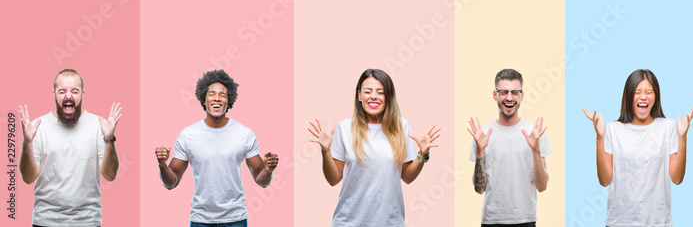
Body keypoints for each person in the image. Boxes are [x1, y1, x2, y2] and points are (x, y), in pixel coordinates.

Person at [306, 68, 441, 227]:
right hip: (348, 222)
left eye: (380, 92)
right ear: (359, 96)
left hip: (390, 222)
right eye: (368, 91)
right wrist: (325, 151)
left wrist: (423, 154)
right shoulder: (344, 127)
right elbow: (333, 179)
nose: (374, 96)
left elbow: (407, 177)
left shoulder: (402, 126)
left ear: (388, 97)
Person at [154, 69, 279, 227]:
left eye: (223, 95)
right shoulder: (188, 135)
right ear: (204, 100)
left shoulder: (244, 134)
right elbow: (171, 183)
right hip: (201, 220)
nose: (217, 98)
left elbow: (262, 181)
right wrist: (162, 165)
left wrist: (268, 170)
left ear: (229, 101)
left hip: (236, 219)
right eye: (212, 93)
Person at [581, 69, 693, 227]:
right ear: (629, 96)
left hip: (658, 222)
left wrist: (683, 137)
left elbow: (677, 179)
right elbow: (604, 181)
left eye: (649, 92)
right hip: (619, 222)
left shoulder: (668, 127)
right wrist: (599, 138)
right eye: (637, 92)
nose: (643, 96)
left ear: (655, 96)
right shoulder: (612, 129)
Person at [19, 69, 121, 227]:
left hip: (88, 221)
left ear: (82, 94)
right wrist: (27, 142)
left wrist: (109, 138)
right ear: (54, 94)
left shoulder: (98, 125)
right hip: (46, 221)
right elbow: (28, 178)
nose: (68, 96)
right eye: (62, 91)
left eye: (75, 91)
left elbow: (110, 175)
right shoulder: (37, 127)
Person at [467, 69, 552, 227]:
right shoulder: (483, 135)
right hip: (491, 221)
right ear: (495, 95)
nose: (509, 97)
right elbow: (479, 189)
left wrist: (536, 150)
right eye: (504, 92)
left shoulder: (534, 133)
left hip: (525, 220)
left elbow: (542, 186)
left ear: (521, 95)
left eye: (514, 92)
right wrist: (480, 152)